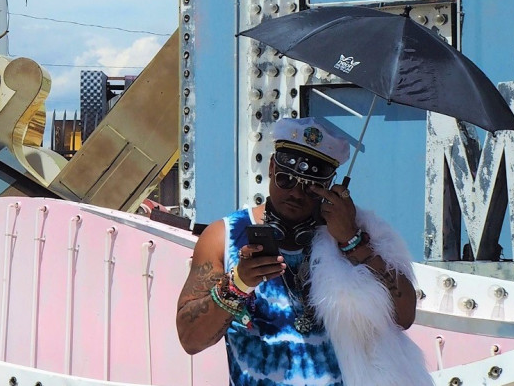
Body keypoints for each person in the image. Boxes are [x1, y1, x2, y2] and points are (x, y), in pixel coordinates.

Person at [175, 117, 429, 386]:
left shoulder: (362, 232)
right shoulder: (224, 236)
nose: (296, 193)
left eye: (309, 187)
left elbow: (404, 317)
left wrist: (352, 242)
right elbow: (190, 339)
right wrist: (238, 284)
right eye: (287, 180)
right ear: (272, 167)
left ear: (330, 186)